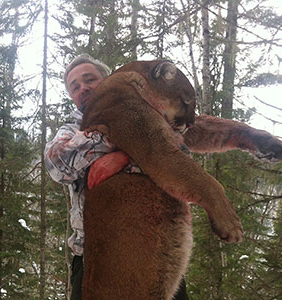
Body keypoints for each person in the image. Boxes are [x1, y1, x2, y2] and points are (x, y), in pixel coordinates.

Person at [44, 54, 189, 300]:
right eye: (75, 86)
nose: (83, 88)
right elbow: (59, 163)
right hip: (95, 255)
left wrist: (121, 158)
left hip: (154, 247)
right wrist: (129, 141)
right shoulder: (70, 129)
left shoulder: (152, 114)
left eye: (90, 79)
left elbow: (179, 158)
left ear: (109, 81)